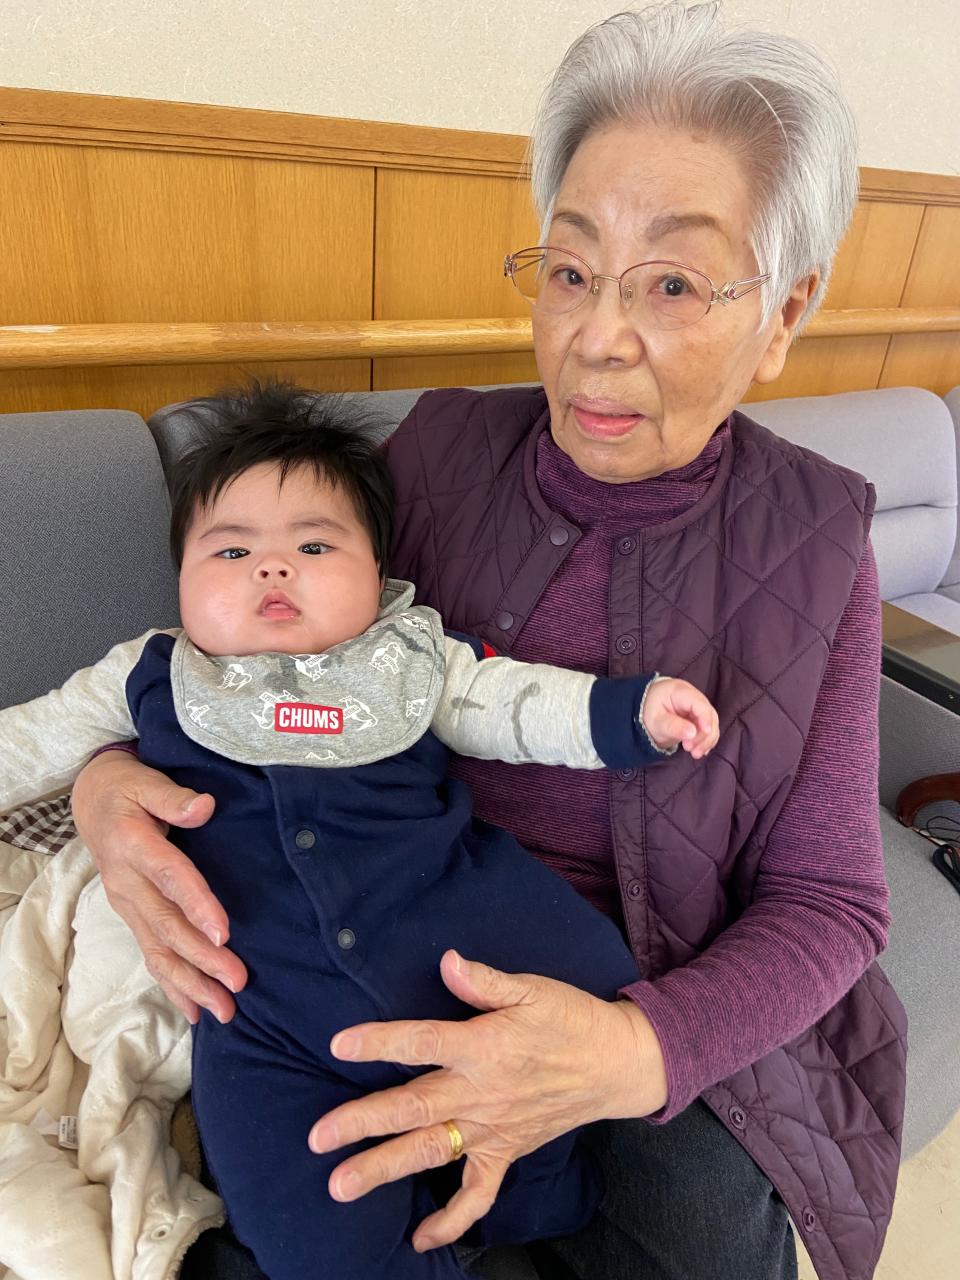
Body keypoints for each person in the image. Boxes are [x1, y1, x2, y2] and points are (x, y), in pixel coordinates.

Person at [67, 5, 907, 1279]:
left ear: (783, 313)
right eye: (570, 270)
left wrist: (626, 1050)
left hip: (642, 985)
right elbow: (251, 660)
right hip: (363, 912)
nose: (598, 337)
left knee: (711, 1247)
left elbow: (833, 901)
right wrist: (105, 780)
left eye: (673, 283)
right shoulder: (433, 456)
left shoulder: (820, 544)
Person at [0, 383, 720, 1280]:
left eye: (313, 545)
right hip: (270, 1017)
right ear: (180, 578)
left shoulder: (405, 656)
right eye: (231, 549)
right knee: (299, 1226)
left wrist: (631, 713)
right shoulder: (150, 671)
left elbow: (515, 702)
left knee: (598, 970)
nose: (273, 568)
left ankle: (538, 1189)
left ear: (376, 576)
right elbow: (33, 739)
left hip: (456, 936)